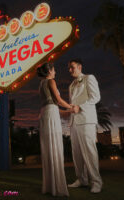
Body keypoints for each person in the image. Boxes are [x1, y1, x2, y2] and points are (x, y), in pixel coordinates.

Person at [37, 63, 75, 197]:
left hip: (44, 113)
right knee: (55, 146)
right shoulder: (50, 81)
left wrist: (67, 111)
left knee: (49, 147)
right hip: (50, 114)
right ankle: (57, 187)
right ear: (49, 71)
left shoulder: (41, 84)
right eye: (54, 69)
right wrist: (71, 107)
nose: (55, 71)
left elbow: (50, 103)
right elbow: (58, 100)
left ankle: (49, 186)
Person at [67, 58, 103, 193]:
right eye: (69, 68)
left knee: (89, 151)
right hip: (74, 122)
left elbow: (95, 97)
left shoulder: (89, 78)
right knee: (76, 153)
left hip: (86, 119)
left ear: (80, 67)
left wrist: (80, 106)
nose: (70, 70)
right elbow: (73, 103)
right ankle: (81, 179)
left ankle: (96, 182)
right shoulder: (71, 85)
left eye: (72, 67)